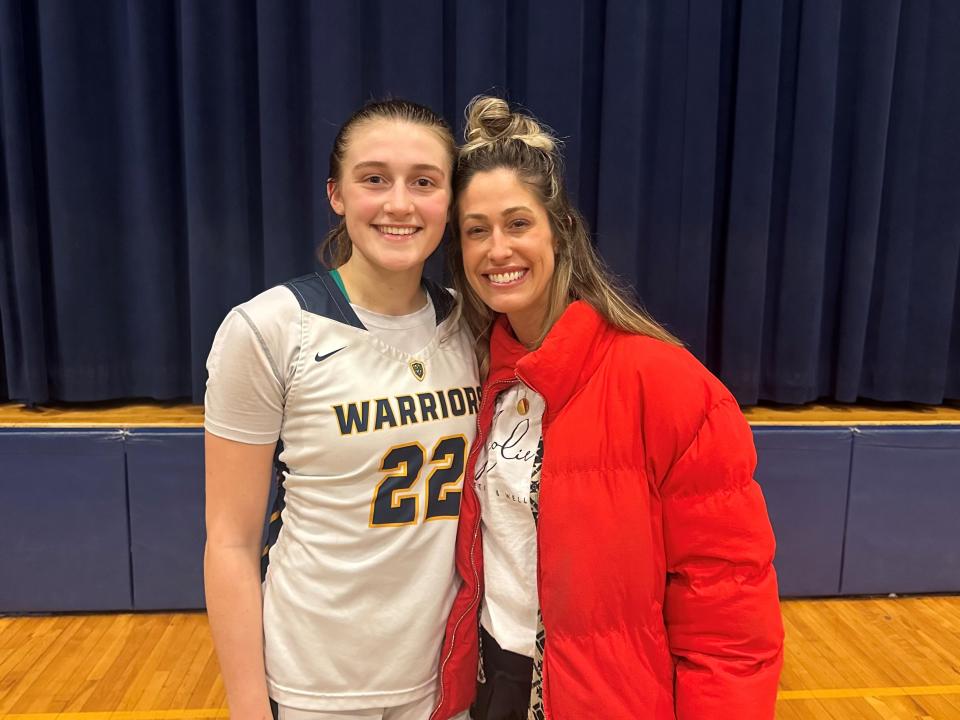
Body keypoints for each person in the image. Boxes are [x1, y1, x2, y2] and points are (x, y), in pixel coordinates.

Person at [430, 97, 784, 720]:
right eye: (475, 230)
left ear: (560, 230)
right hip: (493, 687)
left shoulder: (668, 384)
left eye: (517, 223)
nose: (497, 249)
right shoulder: (480, 371)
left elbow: (728, 610)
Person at [204, 99, 478, 720]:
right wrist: (249, 709)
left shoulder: (475, 325)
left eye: (425, 182)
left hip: (447, 679)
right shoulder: (268, 328)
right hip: (314, 684)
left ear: (449, 201)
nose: (400, 204)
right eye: (374, 178)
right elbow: (229, 541)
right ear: (336, 194)